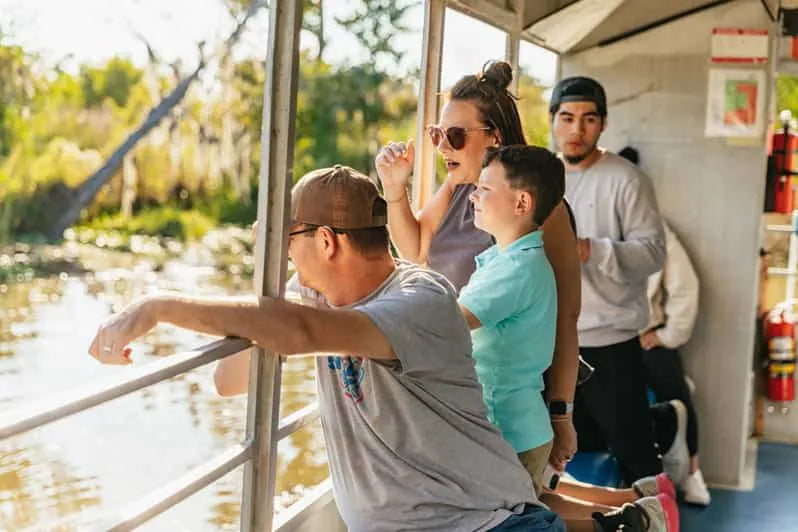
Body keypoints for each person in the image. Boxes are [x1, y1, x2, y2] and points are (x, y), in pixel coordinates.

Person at [88, 165, 566, 532]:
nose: (287, 251)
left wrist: (157, 307)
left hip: (490, 524)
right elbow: (229, 381)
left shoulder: (421, 300)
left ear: (326, 240)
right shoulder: (317, 293)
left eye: (290, 239)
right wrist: (268, 275)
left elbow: (300, 334)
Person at [456, 145, 679, 532]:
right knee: (537, 504)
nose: (473, 196)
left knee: (515, 521)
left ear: (522, 201)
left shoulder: (514, 270)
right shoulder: (515, 260)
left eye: (484, 189)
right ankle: (637, 511)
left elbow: (448, 325)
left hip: (507, 423)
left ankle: (635, 523)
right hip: (522, 422)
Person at [376, 60, 580, 473]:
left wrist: (561, 415)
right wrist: (394, 190)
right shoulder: (458, 190)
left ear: (495, 138)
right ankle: (635, 510)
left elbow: (564, 320)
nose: (441, 147)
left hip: (509, 396)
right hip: (459, 392)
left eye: (454, 136)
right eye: (438, 134)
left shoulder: (542, 212)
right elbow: (415, 249)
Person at [550, 76, 667, 484]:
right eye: (566, 118)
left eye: (588, 119)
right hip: (552, 344)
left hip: (612, 345)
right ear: (553, 121)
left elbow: (654, 253)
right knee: (556, 459)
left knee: (635, 454)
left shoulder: (627, 178)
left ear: (603, 124)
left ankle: (658, 518)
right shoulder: (542, 176)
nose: (576, 130)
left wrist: (589, 249)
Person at [639, 220, 710, 505]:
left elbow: (685, 286)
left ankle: (693, 473)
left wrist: (666, 336)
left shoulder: (655, 229)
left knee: (677, 390)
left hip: (643, 335)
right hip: (595, 337)